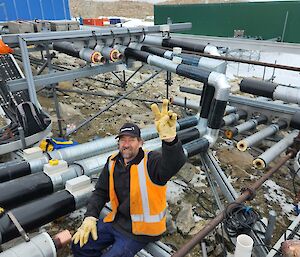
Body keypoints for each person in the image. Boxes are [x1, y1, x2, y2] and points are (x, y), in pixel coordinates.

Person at [72, 99, 186, 257]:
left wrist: (170, 140)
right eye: (122, 140)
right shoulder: (113, 161)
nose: (126, 144)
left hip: (142, 231)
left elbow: (174, 163)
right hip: (117, 221)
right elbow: (100, 191)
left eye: (131, 140)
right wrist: (90, 216)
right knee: (79, 244)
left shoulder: (151, 161)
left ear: (140, 142)